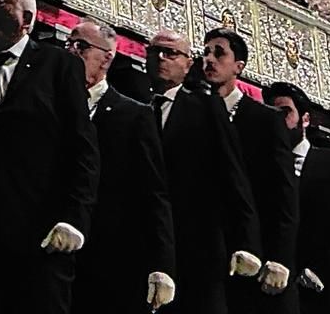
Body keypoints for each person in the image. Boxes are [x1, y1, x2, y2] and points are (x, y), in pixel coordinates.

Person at [0, 0, 98, 314]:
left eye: (2, 1)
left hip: (39, 226)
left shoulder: (57, 65)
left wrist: (74, 218)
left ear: (27, 19)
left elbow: (82, 147)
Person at [147, 29, 261, 314]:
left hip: (197, 244)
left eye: (171, 53)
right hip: (146, 241)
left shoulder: (206, 108)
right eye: (154, 52)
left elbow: (232, 173)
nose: (161, 59)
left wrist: (247, 241)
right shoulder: (136, 107)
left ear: (188, 64)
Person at [68, 18, 175, 312]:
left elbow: (154, 192)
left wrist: (162, 265)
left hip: (110, 254)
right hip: (54, 249)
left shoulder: (133, 115)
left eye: (80, 46)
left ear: (107, 57)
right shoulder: (52, 102)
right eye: (69, 43)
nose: (70, 52)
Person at [202, 30, 297, 303]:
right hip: (208, 248)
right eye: (206, 52)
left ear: (238, 67)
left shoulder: (265, 120)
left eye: (219, 53)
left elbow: (283, 194)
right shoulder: (195, 111)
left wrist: (280, 257)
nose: (209, 59)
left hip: (256, 249)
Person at [264, 82, 330, 312]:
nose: (278, 120)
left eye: (286, 112)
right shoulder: (264, 167)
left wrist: (323, 268)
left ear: (305, 119)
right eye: (272, 113)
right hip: (281, 293)